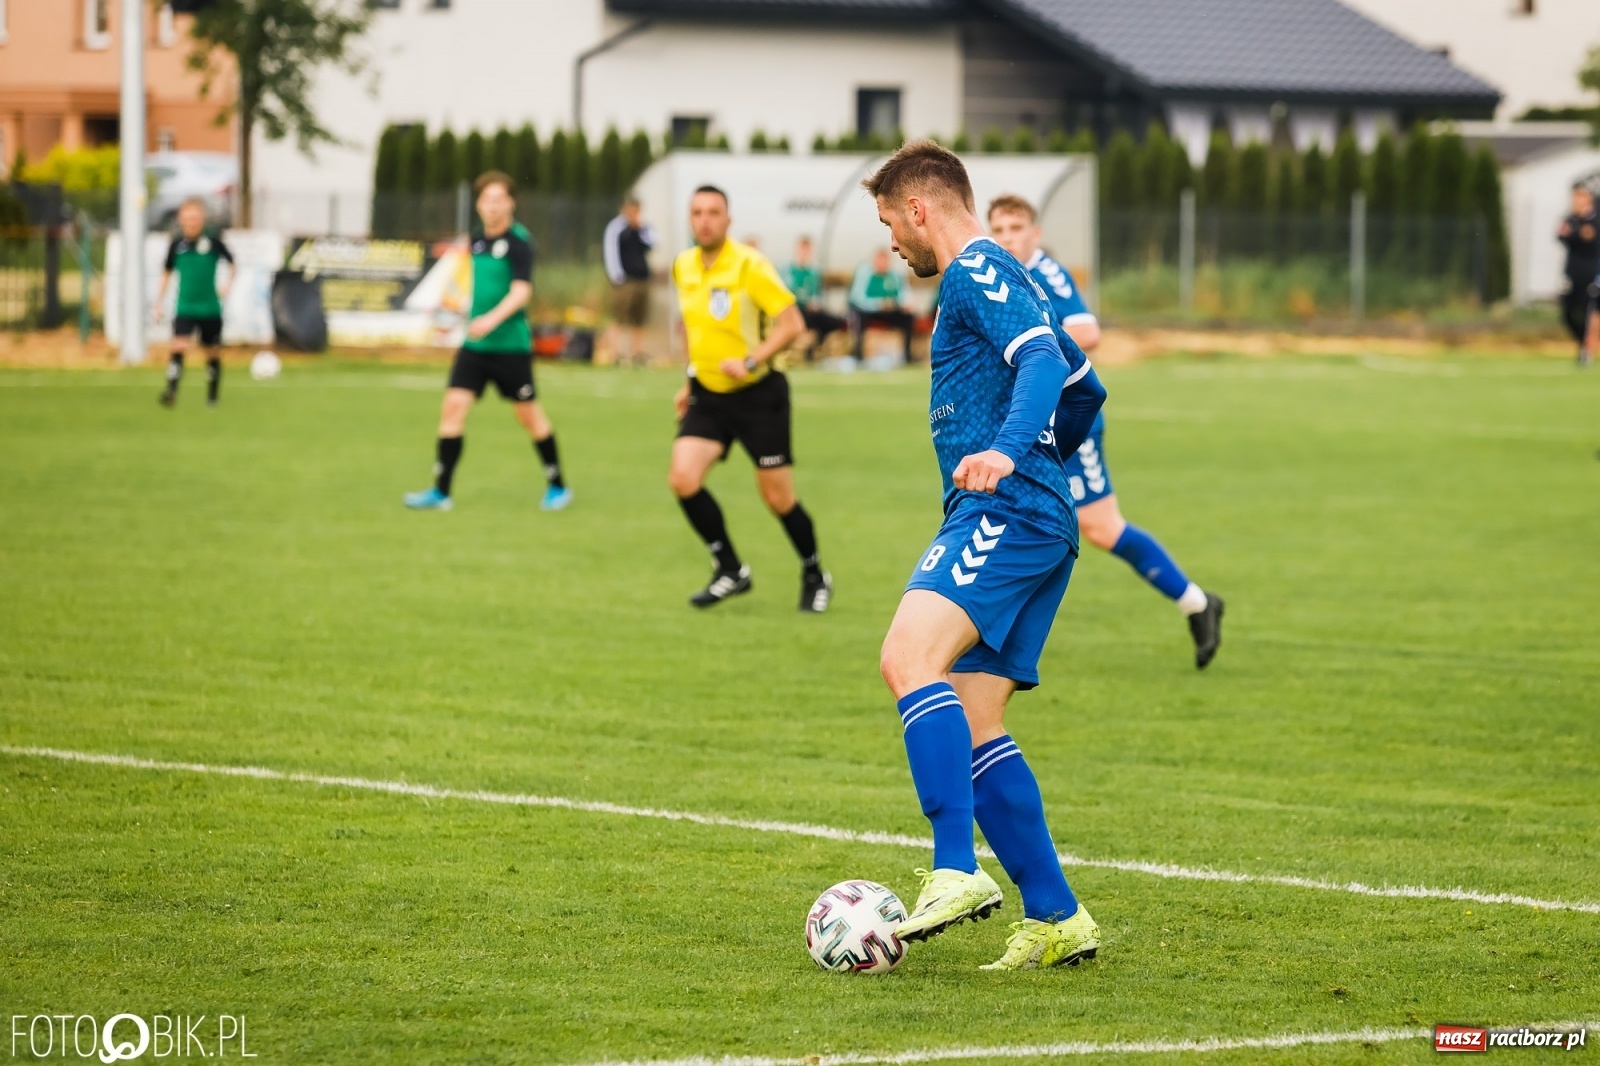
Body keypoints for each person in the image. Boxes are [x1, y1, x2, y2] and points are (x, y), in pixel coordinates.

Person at [866, 141, 1108, 970]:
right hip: (1037, 517)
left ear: (919, 208)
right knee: (974, 718)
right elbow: (1085, 389)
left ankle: (955, 868)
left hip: (1002, 511)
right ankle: (1057, 915)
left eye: (891, 222)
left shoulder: (977, 268)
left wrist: (1011, 454)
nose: (892, 243)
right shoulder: (1019, 277)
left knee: (907, 657)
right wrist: (1044, 459)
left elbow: (1044, 363)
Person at [988, 194, 1224, 668]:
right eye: (999, 229)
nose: (1008, 237)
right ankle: (990, 630)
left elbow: (1087, 331)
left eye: (1016, 228)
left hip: (1071, 421)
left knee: (1100, 526)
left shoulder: (1047, 272)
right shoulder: (998, 275)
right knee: (1011, 510)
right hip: (1027, 424)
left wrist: (1035, 352)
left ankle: (1197, 603)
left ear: (1034, 234)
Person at [669, 185, 831, 612]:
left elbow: (792, 323)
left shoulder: (749, 265)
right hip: (708, 394)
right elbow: (697, 329)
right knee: (683, 478)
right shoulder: (683, 266)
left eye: (713, 212)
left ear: (728, 221)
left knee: (778, 498)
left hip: (760, 396)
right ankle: (730, 568)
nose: (704, 220)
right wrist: (689, 382)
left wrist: (753, 360)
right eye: (697, 212)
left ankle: (814, 572)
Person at [404, 171, 571, 512]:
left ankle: (557, 485)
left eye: (499, 199)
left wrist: (489, 321)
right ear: (478, 205)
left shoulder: (520, 241)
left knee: (529, 417)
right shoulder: (477, 241)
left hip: (510, 347)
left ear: (511, 203)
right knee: (452, 409)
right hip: (475, 348)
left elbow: (521, 292)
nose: (493, 206)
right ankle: (441, 491)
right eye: (486, 200)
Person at [155, 197, 234, 408]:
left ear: (202, 219)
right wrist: (158, 302)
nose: (192, 222)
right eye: (188, 218)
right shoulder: (177, 245)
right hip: (186, 306)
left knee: (212, 351)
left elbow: (233, 263)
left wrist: (227, 285)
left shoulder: (213, 242)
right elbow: (166, 272)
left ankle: (212, 398)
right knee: (178, 346)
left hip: (210, 307)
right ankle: (171, 392)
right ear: (181, 219)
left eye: (196, 218)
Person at [603, 196, 656, 367]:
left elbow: (653, 243)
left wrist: (639, 228)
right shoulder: (616, 227)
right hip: (625, 280)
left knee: (639, 318)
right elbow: (610, 252)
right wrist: (617, 277)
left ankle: (637, 353)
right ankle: (615, 353)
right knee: (619, 317)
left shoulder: (644, 228)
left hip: (642, 279)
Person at [1557, 182, 1599, 366]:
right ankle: (1584, 344)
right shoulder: (1571, 218)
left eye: (1580, 196)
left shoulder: (1596, 219)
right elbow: (1563, 236)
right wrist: (1578, 233)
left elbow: (1590, 238)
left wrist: (1579, 234)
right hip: (1572, 272)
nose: (1576, 200)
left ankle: (1587, 351)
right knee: (1567, 312)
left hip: (1593, 272)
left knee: (1590, 311)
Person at [785, 236, 846, 360]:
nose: (805, 253)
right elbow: (786, 293)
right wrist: (804, 301)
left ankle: (816, 346)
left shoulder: (814, 272)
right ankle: (806, 350)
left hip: (812, 312)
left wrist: (815, 302)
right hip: (794, 310)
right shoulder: (788, 270)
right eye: (803, 250)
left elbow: (818, 294)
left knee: (833, 321)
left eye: (808, 250)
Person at [849, 248, 916, 361]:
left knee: (908, 317)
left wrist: (901, 303)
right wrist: (878, 304)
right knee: (858, 316)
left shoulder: (896, 274)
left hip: (891, 310)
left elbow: (904, 293)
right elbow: (857, 298)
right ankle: (858, 354)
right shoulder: (865, 273)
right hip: (869, 311)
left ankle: (907, 355)